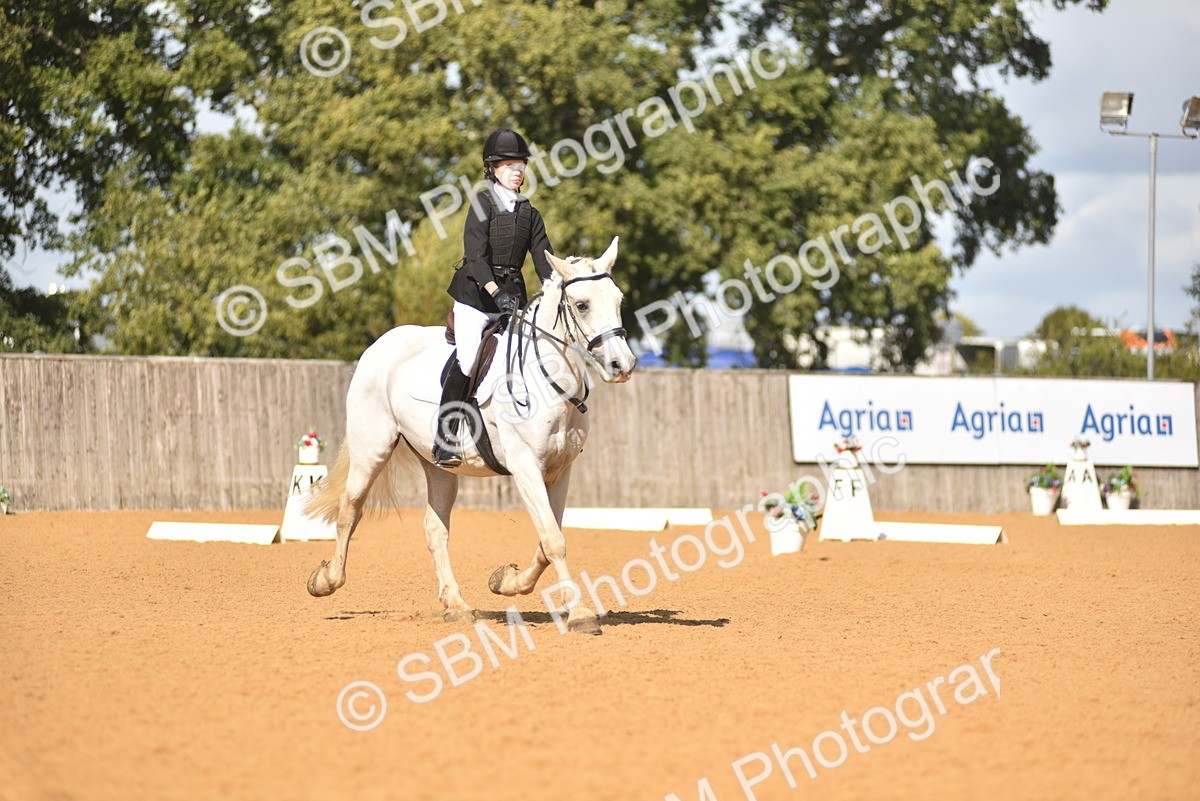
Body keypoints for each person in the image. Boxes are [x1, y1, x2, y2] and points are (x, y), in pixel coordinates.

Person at [433, 128, 555, 467]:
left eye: (521, 164)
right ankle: (445, 438)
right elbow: (475, 256)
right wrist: (494, 292)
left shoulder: (529, 213)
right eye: (510, 164)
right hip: (476, 297)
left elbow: (543, 258)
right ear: (494, 169)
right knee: (470, 359)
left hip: (512, 299)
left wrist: (556, 288)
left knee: (527, 356)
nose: (518, 170)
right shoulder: (482, 202)